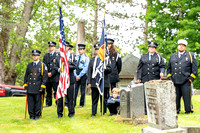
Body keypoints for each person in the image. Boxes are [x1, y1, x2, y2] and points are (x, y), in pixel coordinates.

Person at [167, 39, 198, 114]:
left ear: (185, 47)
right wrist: (169, 78)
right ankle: (176, 110)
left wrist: (191, 78)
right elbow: (169, 68)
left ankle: (188, 110)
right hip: (175, 80)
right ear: (177, 46)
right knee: (175, 97)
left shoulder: (190, 55)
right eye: (180, 45)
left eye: (183, 45)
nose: (181, 46)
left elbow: (195, 68)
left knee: (187, 97)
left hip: (186, 80)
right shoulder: (172, 56)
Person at [136, 41, 165, 114]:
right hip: (145, 77)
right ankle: (146, 110)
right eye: (150, 47)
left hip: (154, 77)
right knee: (145, 94)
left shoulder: (158, 57)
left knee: (154, 93)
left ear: (155, 49)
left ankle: (155, 109)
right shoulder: (143, 57)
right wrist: (139, 77)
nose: (151, 49)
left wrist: (162, 72)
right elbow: (139, 68)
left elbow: (162, 66)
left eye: (153, 47)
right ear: (148, 48)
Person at [87, 44, 112, 116]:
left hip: (103, 82)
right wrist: (89, 82)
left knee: (103, 99)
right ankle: (93, 112)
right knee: (94, 98)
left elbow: (110, 70)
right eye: (96, 50)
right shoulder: (92, 60)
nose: (98, 51)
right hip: (94, 82)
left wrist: (105, 68)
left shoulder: (106, 60)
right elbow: (89, 71)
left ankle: (103, 112)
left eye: (99, 49)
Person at [24, 50, 48, 120]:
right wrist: (25, 84)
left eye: (36, 55)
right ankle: (31, 115)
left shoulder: (43, 65)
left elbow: (45, 78)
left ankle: (37, 115)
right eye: (33, 55)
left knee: (38, 103)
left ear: (39, 56)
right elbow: (26, 76)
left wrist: (42, 87)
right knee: (30, 103)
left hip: (38, 87)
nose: (35, 57)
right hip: (30, 87)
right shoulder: (29, 65)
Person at [57, 41, 77, 118]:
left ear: (68, 47)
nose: (64, 48)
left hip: (70, 79)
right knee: (60, 97)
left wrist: (66, 66)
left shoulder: (72, 56)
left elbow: (74, 65)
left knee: (70, 97)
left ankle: (71, 113)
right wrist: (59, 69)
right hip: (61, 80)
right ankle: (59, 113)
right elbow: (55, 66)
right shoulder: (58, 56)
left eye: (66, 46)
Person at [43, 41, 60, 107]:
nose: (51, 48)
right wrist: (47, 73)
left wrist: (52, 73)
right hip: (47, 75)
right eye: (50, 46)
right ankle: (48, 103)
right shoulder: (46, 56)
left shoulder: (57, 55)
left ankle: (57, 103)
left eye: (52, 46)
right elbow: (44, 66)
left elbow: (58, 66)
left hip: (54, 75)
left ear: (54, 47)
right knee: (48, 90)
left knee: (56, 90)